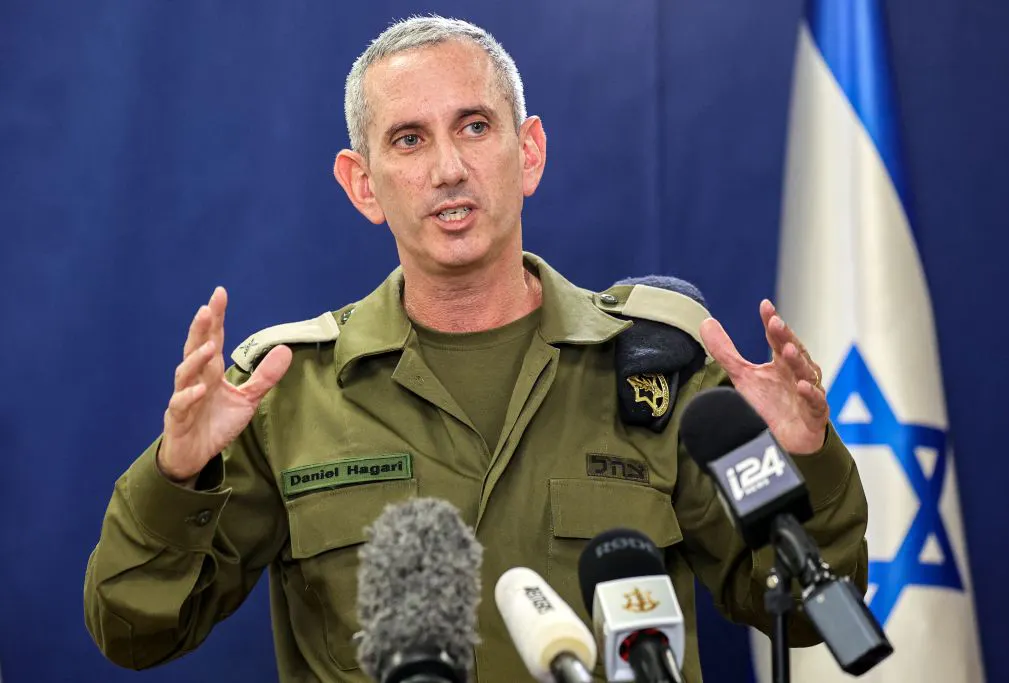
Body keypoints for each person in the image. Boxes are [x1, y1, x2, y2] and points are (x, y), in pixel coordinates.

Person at [84, 16, 867, 683]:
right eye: (409, 139)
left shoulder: (660, 369)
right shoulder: (289, 390)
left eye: (474, 126)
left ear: (529, 152)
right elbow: (135, 631)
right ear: (363, 184)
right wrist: (176, 476)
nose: (449, 168)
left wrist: (809, 465)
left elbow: (807, 613)